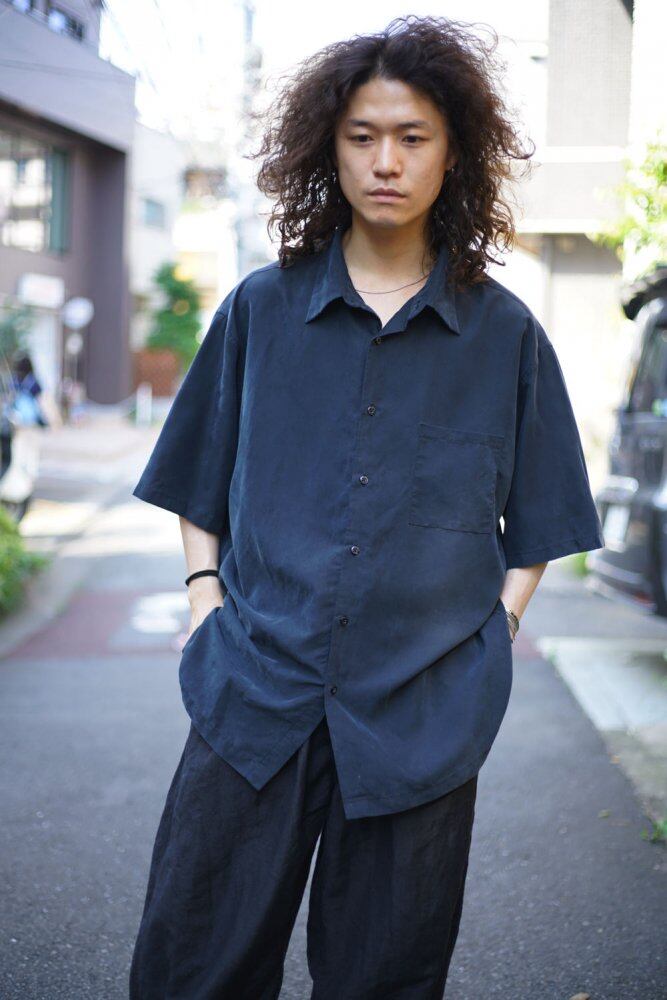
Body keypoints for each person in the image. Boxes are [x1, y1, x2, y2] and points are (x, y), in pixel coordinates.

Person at [129, 15, 605, 999]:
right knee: (195, 965)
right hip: (252, 692)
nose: (386, 161)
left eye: (412, 136)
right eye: (362, 136)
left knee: (383, 979)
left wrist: (497, 632)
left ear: (452, 152)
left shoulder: (505, 334)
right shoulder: (259, 310)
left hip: (422, 714)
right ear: (329, 149)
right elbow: (196, 476)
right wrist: (204, 598)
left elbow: (543, 516)